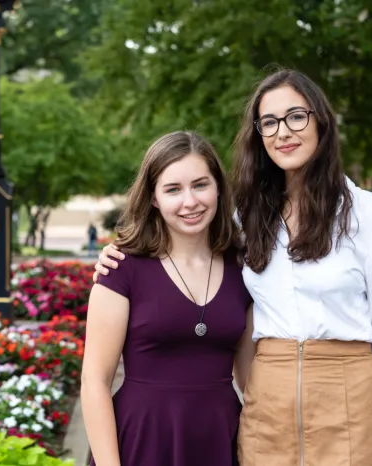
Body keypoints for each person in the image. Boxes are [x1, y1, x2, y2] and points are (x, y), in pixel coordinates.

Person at [93, 69, 372, 466]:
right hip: (267, 411)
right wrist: (114, 257)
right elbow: (177, 245)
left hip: (347, 399)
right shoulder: (246, 219)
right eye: (269, 122)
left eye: (296, 116)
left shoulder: (371, 216)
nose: (283, 132)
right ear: (258, 135)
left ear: (321, 121)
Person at [81, 131, 255, 466]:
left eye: (200, 185)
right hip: (141, 442)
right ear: (154, 198)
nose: (190, 201)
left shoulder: (242, 268)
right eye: (173, 189)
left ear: (218, 187)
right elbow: (94, 382)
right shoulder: (122, 267)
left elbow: (249, 380)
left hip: (220, 440)